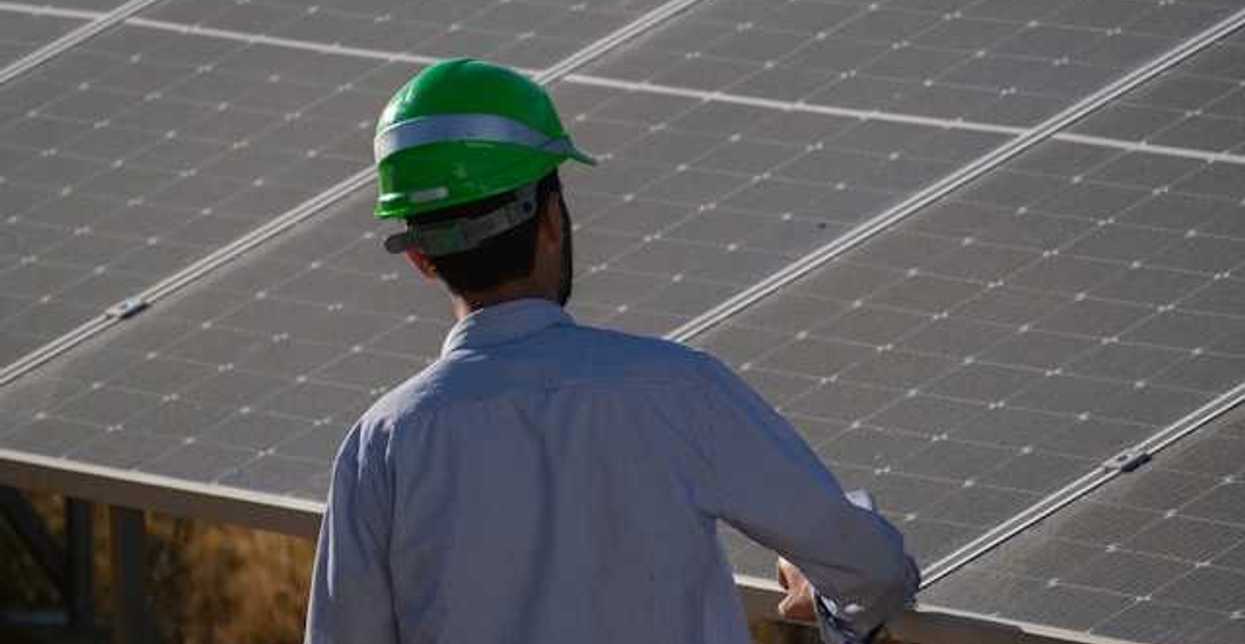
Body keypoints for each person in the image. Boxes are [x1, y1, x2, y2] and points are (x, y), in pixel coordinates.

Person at [304, 58, 919, 644]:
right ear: (550, 219)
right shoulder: (677, 391)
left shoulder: (380, 447)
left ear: (419, 256)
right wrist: (831, 598)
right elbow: (874, 570)